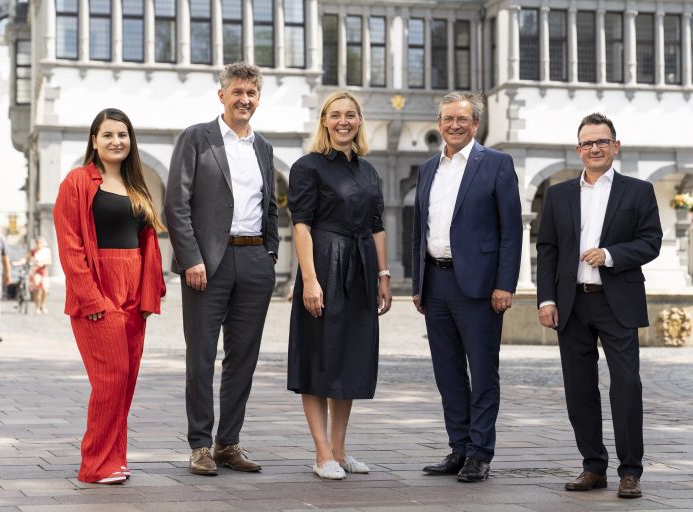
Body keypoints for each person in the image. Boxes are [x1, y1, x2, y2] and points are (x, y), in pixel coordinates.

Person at [536, 113, 662, 499]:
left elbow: (651, 242)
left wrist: (609, 254)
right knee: (579, 389)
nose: (595, 148)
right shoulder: (558, 195)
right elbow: (548, 250)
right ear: (578, 150)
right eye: (588, 143)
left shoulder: (638, 191)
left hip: (616, 302)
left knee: (626, 385)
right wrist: (547, 298)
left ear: (615, 146)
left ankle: (630, 471)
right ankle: (593, 466)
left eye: (602, 141)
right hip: (572, 304)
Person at [164, 62, 278, 476]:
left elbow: (271, 207)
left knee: (243, 357)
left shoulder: (263, 147)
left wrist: (270, 255)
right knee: (201, 356)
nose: (244, 100)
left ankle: (228, 442)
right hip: (207, 263)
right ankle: (199, 445)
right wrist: (191, 258)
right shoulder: (198, 138)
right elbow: (176, 204)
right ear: (222, 96)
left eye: (251, 93)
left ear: (258, 99)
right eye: (237, 92)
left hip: (254, 260)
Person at [411, 91, 522, 483]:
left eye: (462, 119)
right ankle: (458, 447)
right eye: (447, 119)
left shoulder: (496, 164)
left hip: (478, 287)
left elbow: (511, 231)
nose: (454, 125)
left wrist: (505, 284)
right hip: (436, 282)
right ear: (439, 123)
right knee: (448, 373)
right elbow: (418, 230)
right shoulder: (427, 169)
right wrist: (418, 282)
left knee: (483, 373)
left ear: (475, 124)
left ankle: (480, 452)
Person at [53, 108, 166, 484]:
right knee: (111, 379)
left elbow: (147, 243)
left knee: (127, 380)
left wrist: (149, 295)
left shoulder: (137, 185)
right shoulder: (77, 181)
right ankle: (95, 464)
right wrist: (90, 298)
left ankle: (115, 459)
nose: (117, 141)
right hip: (98, 292)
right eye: (108, 135)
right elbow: (69, 246)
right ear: (94, 140)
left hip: (134, 294)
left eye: (123, 134)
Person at [287, 91, 392, 480]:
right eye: (335, 115)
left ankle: (341, 450)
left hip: (362, 267)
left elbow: (378, 225)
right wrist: (311, 280)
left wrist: (383, 275)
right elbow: (301, 225)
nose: (343, 121)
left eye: (350, 114)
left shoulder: (368, 171)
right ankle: (321, 453)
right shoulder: (308, 166)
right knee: (319, 357)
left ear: (360, 120)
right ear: (324, 121)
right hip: (325, 265)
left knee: (349, 359)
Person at [26, 236, 53, 314]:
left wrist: (43, 263)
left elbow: (49, 261)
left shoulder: (47, 251)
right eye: (37, 242)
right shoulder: (33, 251)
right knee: (37, 291)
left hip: (44, 272)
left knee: (45, 289)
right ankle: (37, 307)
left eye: (40, 242)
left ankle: (43, 305)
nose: (39, 244)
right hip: (35, 272)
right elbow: (26, 258)